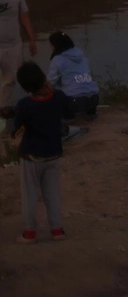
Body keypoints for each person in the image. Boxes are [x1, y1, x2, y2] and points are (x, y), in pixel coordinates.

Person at [10, 62, 68, 243]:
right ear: (44, 78)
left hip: (31, 157)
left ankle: (29, 233)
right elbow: (68, 111)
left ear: (25, 87)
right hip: (53, 155)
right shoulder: (58, 97)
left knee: (30, 196)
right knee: (52, 194)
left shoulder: (25, 105)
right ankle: (57, 230)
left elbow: (16, 127)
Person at [0, 0, 37, 118]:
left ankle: (4, 109)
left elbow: (24, 18)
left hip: (13, 45)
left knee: (11, 79)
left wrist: (32, 39)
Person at [46, 31, 100, 121]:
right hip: (94, 98)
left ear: (55, 45)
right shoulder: (83, 58)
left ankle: (67, 117)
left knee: (50, 91)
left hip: (75, 102)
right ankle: (89, 113)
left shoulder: (58, 60)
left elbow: (50, 84)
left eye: (51, 45)